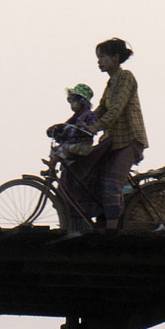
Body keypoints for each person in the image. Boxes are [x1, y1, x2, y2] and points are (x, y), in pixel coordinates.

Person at [87, 37, 147, 226]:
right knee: (97, 180)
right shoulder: (111, 83)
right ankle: (105, 222)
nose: (99, 61)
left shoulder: (125, 77)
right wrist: (80, 123)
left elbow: (115, 110)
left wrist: (95, 127)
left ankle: (112, 231)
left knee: (112, 184)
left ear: (115, 58)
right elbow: (100, 111)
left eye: (102, 56)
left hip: (128, 139)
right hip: (113, 141)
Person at [46, 83, 98, 228]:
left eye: (74, 102)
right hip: (74, 147)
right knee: (59, 148)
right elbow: (66, 126)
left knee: (63, 149)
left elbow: (93, 128)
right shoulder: (75, 117)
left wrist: (85, 128)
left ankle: (52, 164)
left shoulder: (88, 115)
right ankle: (53, 163)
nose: (72, 105)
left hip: (83, 147)